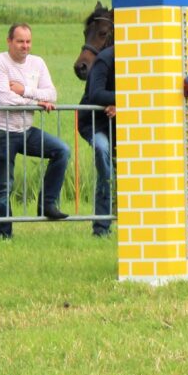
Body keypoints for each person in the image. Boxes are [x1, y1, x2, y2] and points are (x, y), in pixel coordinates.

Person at [0, 23, 70, 239]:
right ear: (9, 42)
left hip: (26, 129)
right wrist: (35, 101)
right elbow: (4, 98)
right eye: (20, 41)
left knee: (61, 151)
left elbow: (51, 94)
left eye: (28, 41)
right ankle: (5, 236)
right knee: (4, 184)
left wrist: (25, 91)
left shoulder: (37, 63)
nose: (25, 46)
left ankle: (47, 204)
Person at [77, 44, 116, 237]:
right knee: (103, 155)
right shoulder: (104, 60)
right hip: (95, 124)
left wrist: (122, 103)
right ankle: (101, 228)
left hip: (119, 125)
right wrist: (126, 99)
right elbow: (96, 94)